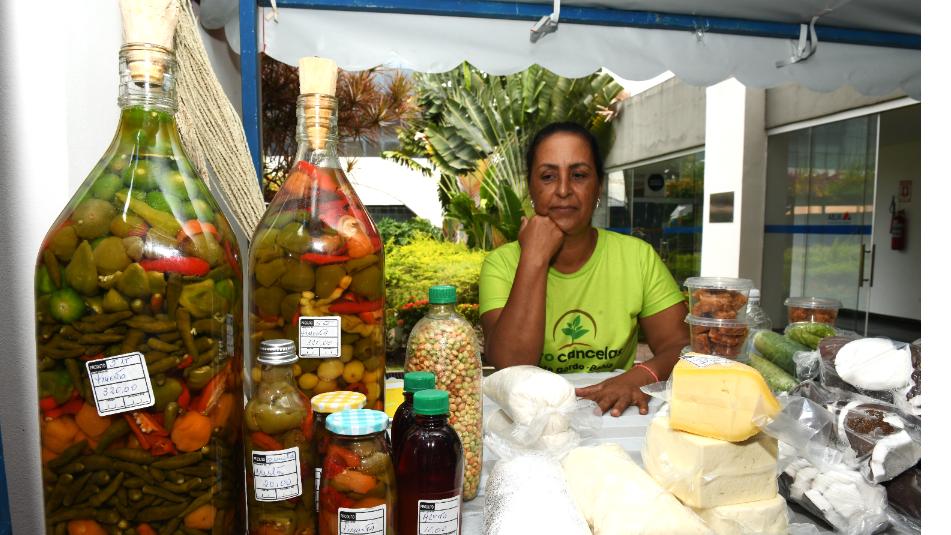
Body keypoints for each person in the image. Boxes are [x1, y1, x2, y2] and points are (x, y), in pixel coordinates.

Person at [479, 121, 690, 416]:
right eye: (548, 176)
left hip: (617, 417)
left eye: (578, 175)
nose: (563, 190)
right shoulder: (501, 264)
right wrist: (534, 258)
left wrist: (639, 377)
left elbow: (682, 345)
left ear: (598, 186)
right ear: (531, 187)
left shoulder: (637, 257)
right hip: (529, 423)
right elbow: (511, 368)